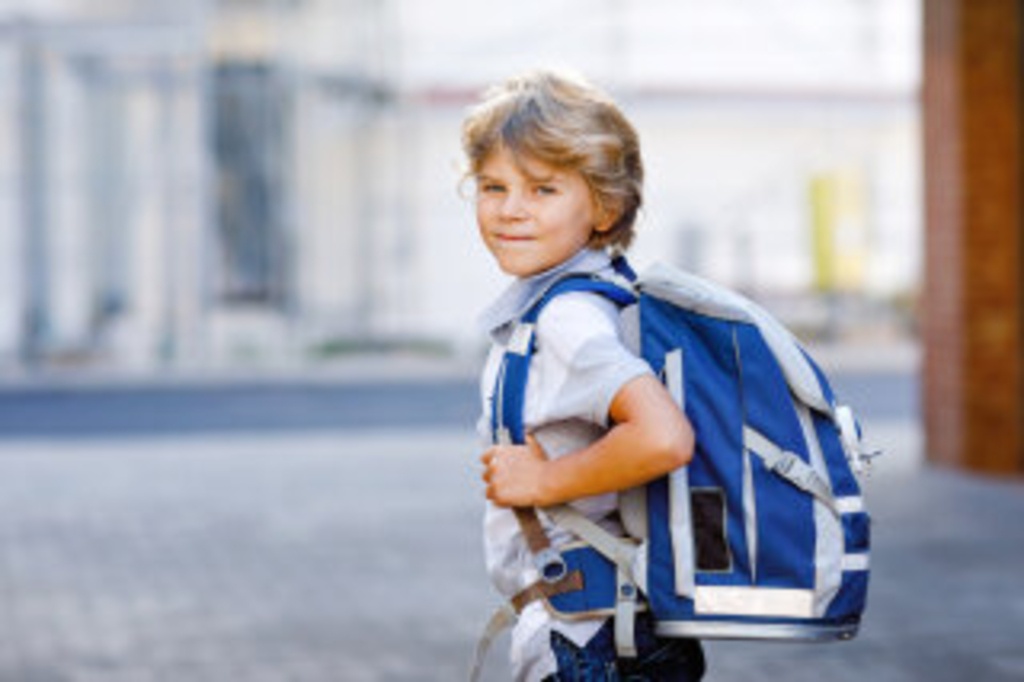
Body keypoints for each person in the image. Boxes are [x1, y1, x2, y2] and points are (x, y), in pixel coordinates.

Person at [462, 69, 707, 681]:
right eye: (493, 186)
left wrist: (544, 480)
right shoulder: (604, 295)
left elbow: (664, 437)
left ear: (605, 207)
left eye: (543, 189)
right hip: (614, 628)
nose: (510, 210)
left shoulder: (569, 318)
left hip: (589, 638)